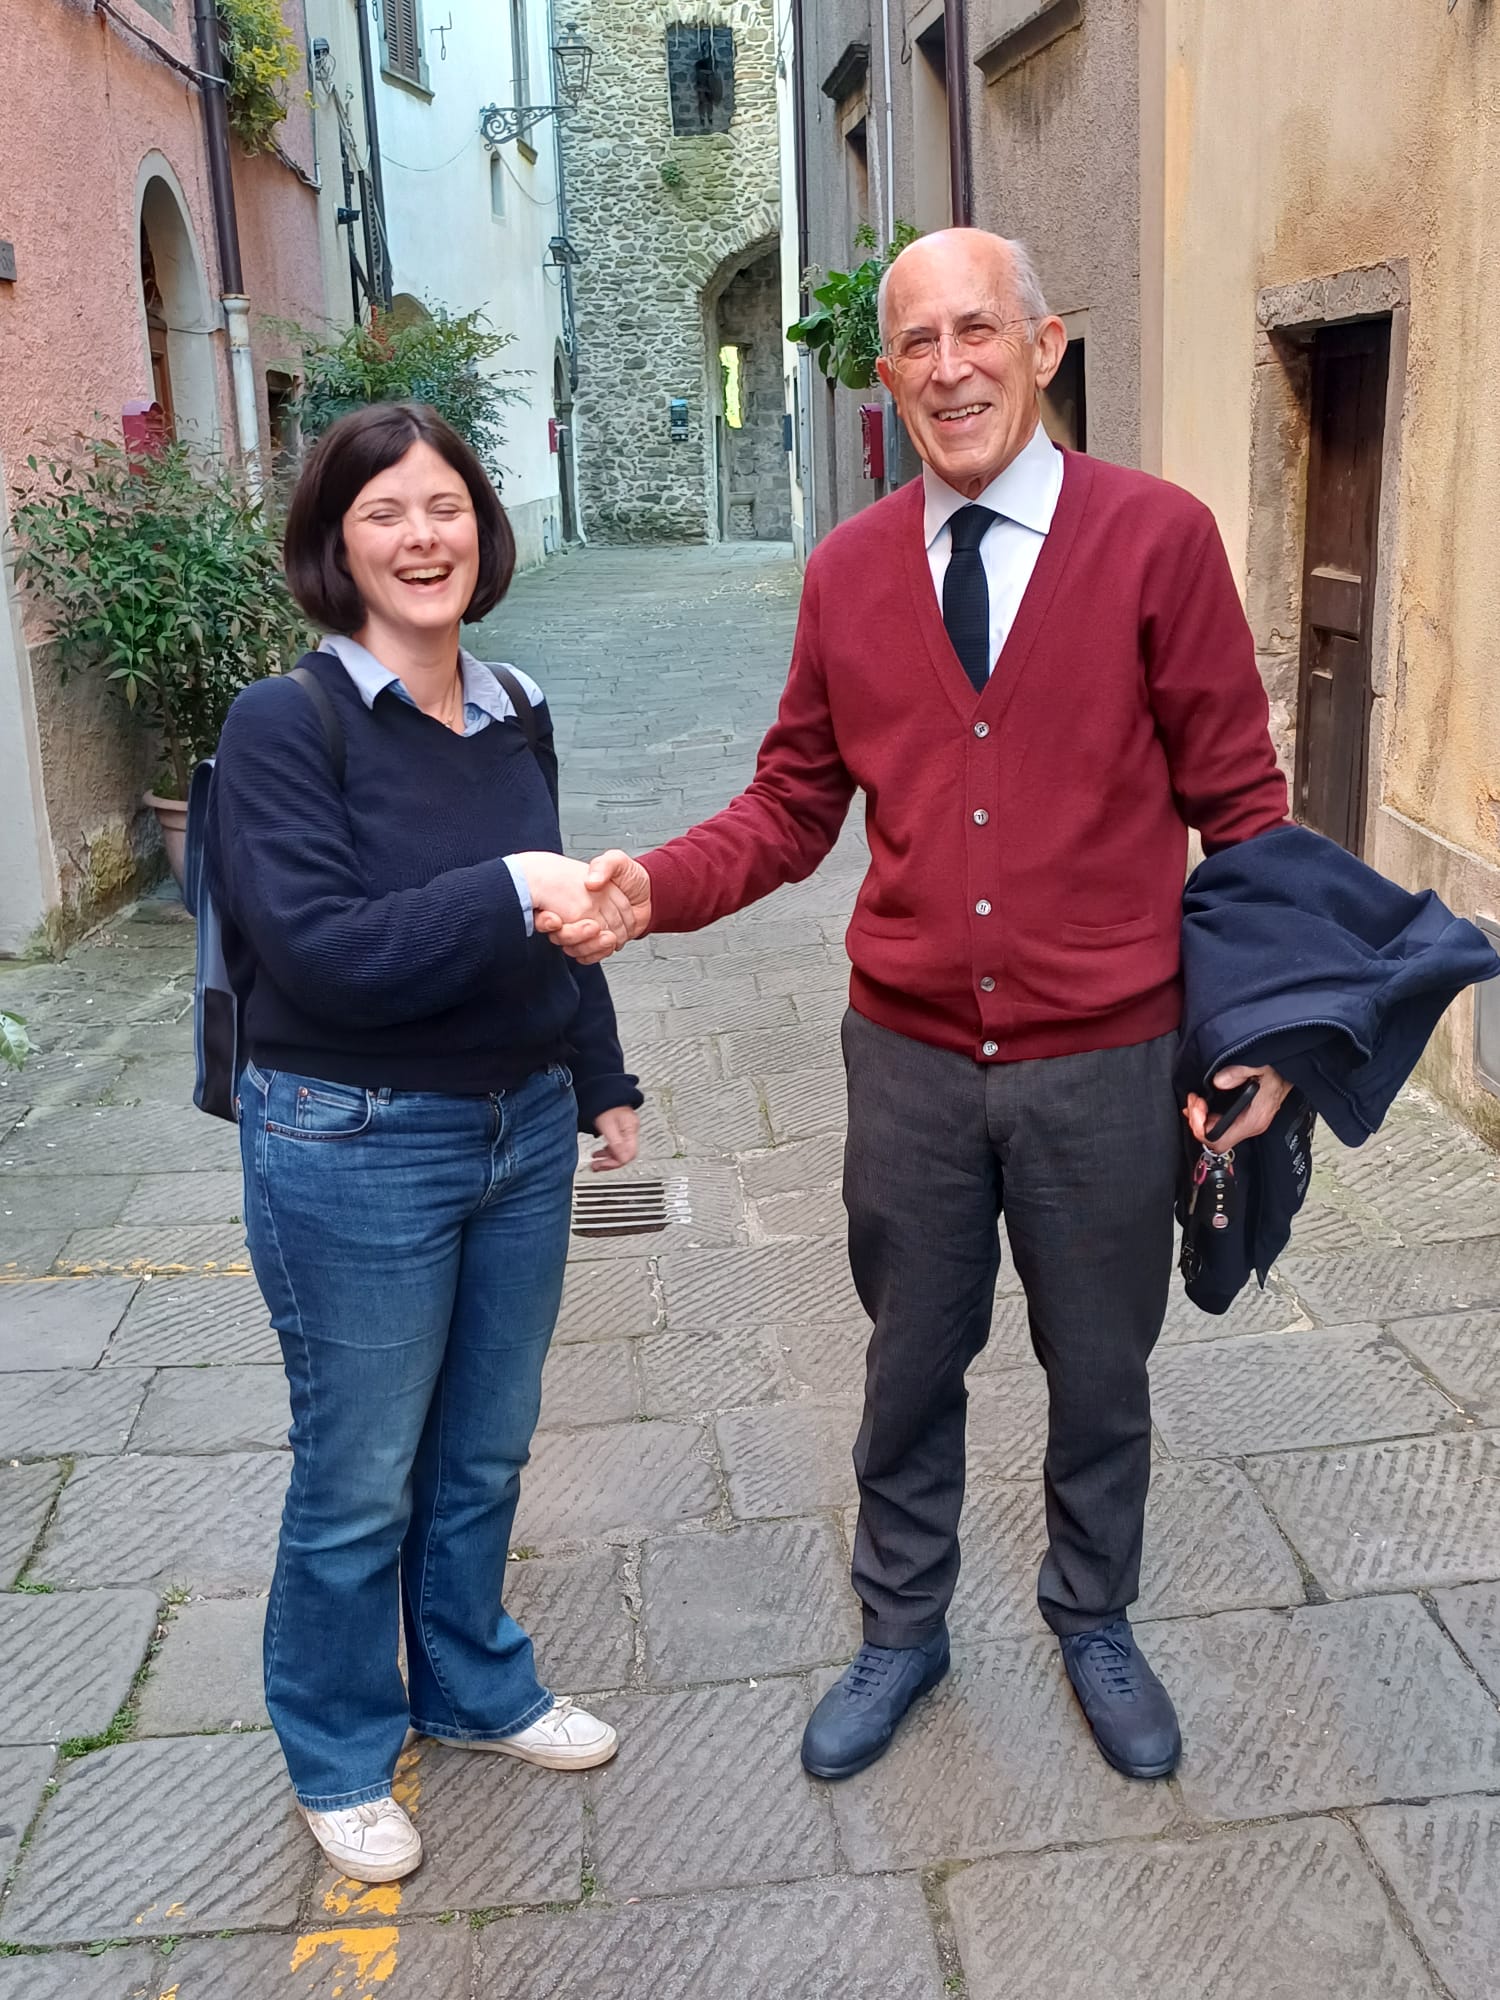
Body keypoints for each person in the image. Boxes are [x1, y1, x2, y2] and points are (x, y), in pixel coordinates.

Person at [544, 231, 1291, 1784]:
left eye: (977, 333)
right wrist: (654, 891)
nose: (949, 368)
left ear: (1043, 343)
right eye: (915, 345)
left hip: (1109, 1055)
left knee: (1103, 1365)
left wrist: (1267, 1036)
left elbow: (1247, 810)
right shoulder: (847, 573)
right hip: (912, 1063)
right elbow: (792, 803)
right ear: (882, 376)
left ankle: (1094, 1615)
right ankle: (902, 1627)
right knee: (908, 1360)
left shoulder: (1157, 541)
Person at [206, 402, 640, 1883]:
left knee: (485, 1445)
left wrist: (602, 1076)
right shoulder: (287, 725)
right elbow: (325, 955)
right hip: (351, 1138)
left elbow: (561, 928)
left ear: (483, 526)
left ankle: (470, 1681)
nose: (422, 536)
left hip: (519, 1130)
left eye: (445, 504)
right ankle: (337, 1743)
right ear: (337, 542)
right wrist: (511, 884)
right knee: (359, 1467)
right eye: (386, 510)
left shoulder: (515, 701)